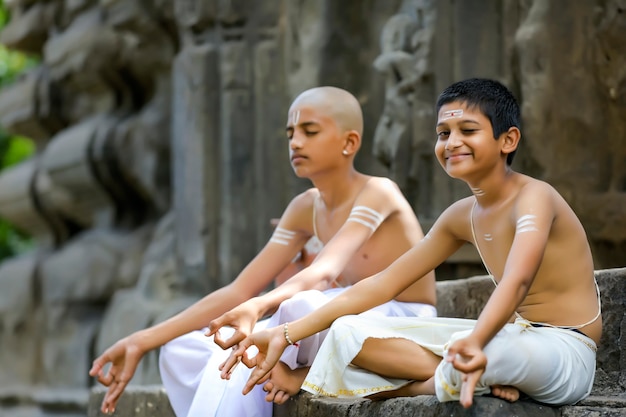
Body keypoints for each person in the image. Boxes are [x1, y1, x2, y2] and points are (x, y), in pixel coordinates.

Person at [225, 78, 602, 409]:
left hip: (563, 351)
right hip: (506, 338)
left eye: (467, 131)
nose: (452, 143)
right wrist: (286, 332)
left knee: (484, 354)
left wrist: (476, 342)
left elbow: (517, 281)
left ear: (508, 139)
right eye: (443, 134)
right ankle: (465, 376)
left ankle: (317, 376)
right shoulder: (460, 215)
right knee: (345, 332)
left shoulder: (536, 196)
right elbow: (384, 284)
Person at [89, 86, 437, 416]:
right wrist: (141, 340)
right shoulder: (304, 207)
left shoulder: (379, 191)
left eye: (309, 131)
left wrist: (259, 306)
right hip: (333, 318)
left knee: (298, 307)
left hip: (397, 324)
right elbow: (240, 290)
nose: (295, 142)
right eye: (290, 133)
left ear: (349, 142)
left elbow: (325, 272)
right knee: (179, 351)